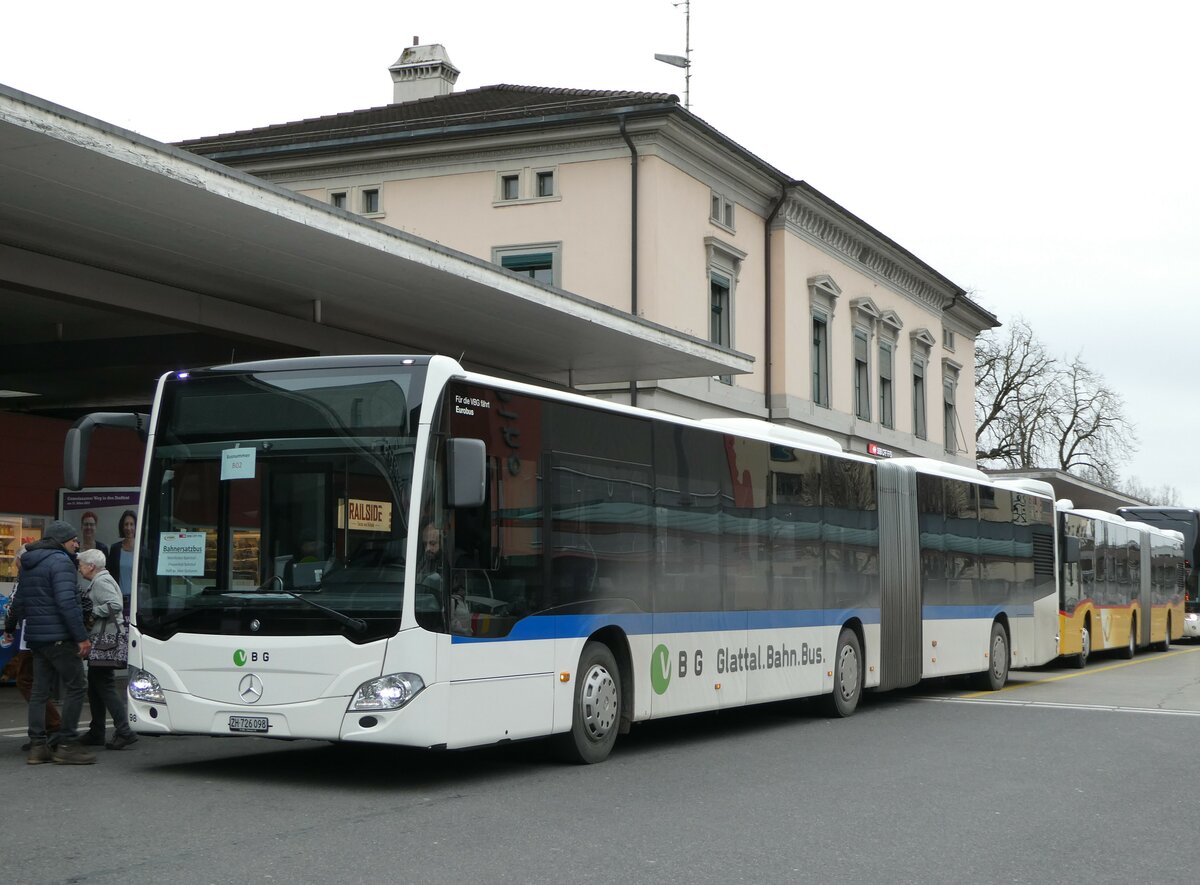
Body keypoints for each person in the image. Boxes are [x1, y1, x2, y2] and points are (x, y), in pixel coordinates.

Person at [14, 520, 94, 765]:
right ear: (61, 541)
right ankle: (67, 743)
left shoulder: (28, 564)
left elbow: (19, 602)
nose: (77, 544)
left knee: (39, 691)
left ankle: (38, 746)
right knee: (77, 685)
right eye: (73, 540)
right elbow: (67, 603)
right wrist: (81, 636)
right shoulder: (61, 562)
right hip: (60, 637)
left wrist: (11, 627)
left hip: (37, 638)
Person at [1, 545, 62, 752]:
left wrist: (9, 627)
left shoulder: (25, 576)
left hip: (30, 635)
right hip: (40, 634)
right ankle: (46, 729)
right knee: (35, 682)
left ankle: (51, 727)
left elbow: (17, 605)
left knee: (27, 681)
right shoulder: (44, 572)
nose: (15, 564)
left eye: (16, 560)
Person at [76, 549, 137, 750]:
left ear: (91, 566)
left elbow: (115, 605)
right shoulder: (102, 579)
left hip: (106, 638)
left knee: (104, 685)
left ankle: (124, 730)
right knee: (96, 685)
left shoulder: (101, 581)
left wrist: (92, 611)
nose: (80, 567)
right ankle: (97, 731)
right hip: (105, 637)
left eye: (82, 564)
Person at [106, 509, 137, 610]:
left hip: (137, 602)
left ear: (136, 526)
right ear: (122, 527)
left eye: (132, 524)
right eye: (126, 524)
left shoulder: (142, 549)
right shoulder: (115, 548)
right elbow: (110, 574)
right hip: (119, 601)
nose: (129, 528)